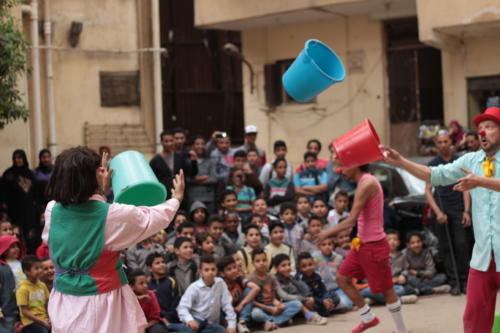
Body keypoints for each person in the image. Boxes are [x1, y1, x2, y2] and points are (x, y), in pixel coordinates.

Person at [382, 106, 500, 333]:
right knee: (473, 320)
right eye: (480, 128)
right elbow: (435, 175)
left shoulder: (477, 171)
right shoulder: (472, 160)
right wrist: (401, 162)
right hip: (484, 257)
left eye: (490, 127)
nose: (482, 132)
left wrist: (481, 182)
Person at [42, 146, 184, 333]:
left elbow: (59, 233)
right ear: (91, 178)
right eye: (98, 170)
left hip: (64, 298)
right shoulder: (111, 215)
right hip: (102, 301)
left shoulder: (52, 209)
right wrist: (176, 199)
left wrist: (99, 189)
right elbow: (151, 218)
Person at [316, 163, 408, 333]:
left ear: (355, 165)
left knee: (387, 290)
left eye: (344, 165)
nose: (341, 170)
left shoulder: (367, 184)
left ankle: (401, 330)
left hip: (374, 246)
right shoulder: (363, 182)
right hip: (362, 244)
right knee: (342, 278)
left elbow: (351, 220)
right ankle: (368, 317)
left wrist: (326, 233)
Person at [425, 133, 472, 295]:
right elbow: (428, 192)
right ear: (436, 144)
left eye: (446, 141)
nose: (443, 144)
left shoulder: (459, 161)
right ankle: (454, 282)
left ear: (451, 143)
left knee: (461, 244)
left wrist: (467, 211)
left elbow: (466, 187)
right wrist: (437, 212)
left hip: (458, 208)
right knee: (446, 247)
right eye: (440, 142)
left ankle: (465, 280)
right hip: (442, 210)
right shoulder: (432, 164)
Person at [177, 255, 237, 333]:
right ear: (200, 272)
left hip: (210, 324)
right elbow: (182, 307)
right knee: (189, 330)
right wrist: (190, 320)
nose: (210, 272)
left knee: (221, 330)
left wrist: (231, 325)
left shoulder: (220, 283)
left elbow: (227, 305)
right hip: (196, 319)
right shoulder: (194, 287)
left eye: (213, 269)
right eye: (206, 270)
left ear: (216, 270)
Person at [248, 249, 302, 330]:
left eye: (264, 260)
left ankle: (271, 322)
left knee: (297, 304)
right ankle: (277, 320)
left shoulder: (271, 277)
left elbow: (273, 298)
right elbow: (252, 302)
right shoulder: (250, 279)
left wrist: (278, 305)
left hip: (272, 306)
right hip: (260, 308)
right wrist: (270, 309)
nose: (261, 263)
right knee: (255, 314)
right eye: (258, 261)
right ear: (253, 264)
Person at [273, 254, 328, 325]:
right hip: (282, 306)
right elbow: (284, 296)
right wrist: (304, 299)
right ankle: (310, 316)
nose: (288, 268)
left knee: (315, 302)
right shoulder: (274, 279)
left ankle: (303, 315)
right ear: (276, 268)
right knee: (298, 303)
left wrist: (309, 297)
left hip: (297, 302)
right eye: (283, 266)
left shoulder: (290, 277)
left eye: (289, 265)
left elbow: (303, 287)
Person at [150, 130, 197, 205]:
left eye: (171, 141)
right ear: (161, 142)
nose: (169, 143)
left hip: (180, 196)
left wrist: (194, 161)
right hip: (164, 197)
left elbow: (191, 173)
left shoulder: (179, 157)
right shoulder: (155, 160)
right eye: (166, 141)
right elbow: (152, 180)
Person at [2, 150, 37, 249]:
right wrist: (4, 211)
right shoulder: (8, 174)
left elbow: (35, 193)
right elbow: (4, 193)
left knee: (30, 236)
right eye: (16, 158)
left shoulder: (30, 174)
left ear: (24, 159)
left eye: (20, 158)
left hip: (29, 211)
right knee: (16, 235)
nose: (18, 160)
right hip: (14, 211)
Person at [218, 255, 260, 333]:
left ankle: (242, 322)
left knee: (249, 289)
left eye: (234, 267)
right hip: (226, 313)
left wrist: (241, 305)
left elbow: (256, 288)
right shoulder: (220, 284)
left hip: (239, 310)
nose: (233, 270)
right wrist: (231, 309)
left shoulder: (238, 278)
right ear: (222, 273)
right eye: (229, 269)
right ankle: (227, 325)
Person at [312, 237, 354, 311]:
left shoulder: (339, 258)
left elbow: (342, 275)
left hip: (336, 289)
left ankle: (331, 308)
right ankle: (332, 307)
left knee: (347, 304)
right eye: (324, 245)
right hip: (323, 291)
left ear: (333, 245)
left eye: (329, 244)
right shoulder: (315, 257)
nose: (327, 246)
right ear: (319, 247)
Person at [295, 252, 339, 317]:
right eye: (304, 266)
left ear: (314, 264)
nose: (308, 268)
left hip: (320, 298)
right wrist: (322, 301)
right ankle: (323, 311)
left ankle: (326, 309)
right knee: (310, 302)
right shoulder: (299, 278)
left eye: (310, 265)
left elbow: (323, 289)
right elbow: (308, 296)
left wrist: (326, 299)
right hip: (312, 300)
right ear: (299, 268)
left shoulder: (316, 276)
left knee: (335, 296)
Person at [146, 253, 183, 329]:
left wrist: (167, 318)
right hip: (156, 321)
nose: (162, 265)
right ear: (150, 268)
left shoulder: (172, 281)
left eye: (163, 262)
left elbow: (177, 303)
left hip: (173, 320)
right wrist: (160, 318)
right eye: (157, 263)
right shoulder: (147, 285)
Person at [15, 255, 50, 333]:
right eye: (36, 268)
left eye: (41, 267)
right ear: (26, 271)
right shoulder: (22, 288)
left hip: (44, 319)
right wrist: (42, 321)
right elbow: (24, 311)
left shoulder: (42, 285)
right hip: (30, 322)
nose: (40, 270)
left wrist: (49, 318)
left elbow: (47, 304)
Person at [187, 136, 217, 213]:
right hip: (193, 197)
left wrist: (196, 179)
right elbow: (186, 179)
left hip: (209, 198)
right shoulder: (187, 161)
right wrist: (205, 177)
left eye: (202, 144)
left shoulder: (211, 161)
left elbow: (214, 179)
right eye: (197, 144)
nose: (200, 146)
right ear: (193, 146)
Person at [0, 236, 18, 332]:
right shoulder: (2, 268)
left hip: (21, 311)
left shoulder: (21, 264)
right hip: (6, 313)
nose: (16, 249)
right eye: (12, 246)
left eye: (17, 246)